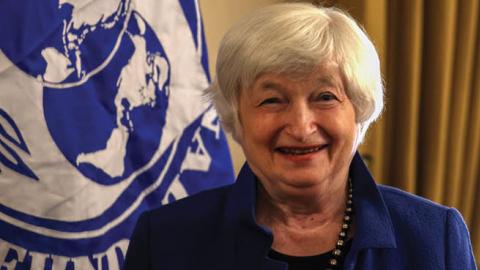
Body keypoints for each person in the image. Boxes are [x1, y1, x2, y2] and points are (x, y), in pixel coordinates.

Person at [123, 3, 477, 269]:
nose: (301, 125)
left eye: (325, 96)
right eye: (272, 100)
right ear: (236, 117)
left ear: (359, 108)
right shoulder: (165, 240)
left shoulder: (435, 237)